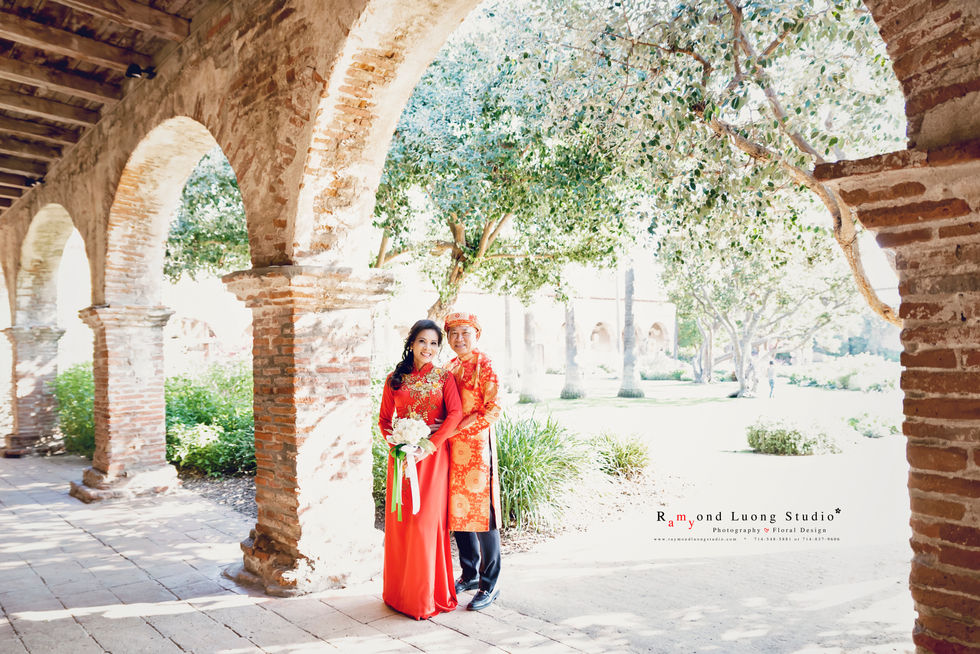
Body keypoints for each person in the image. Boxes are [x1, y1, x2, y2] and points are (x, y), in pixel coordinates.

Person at [379, 319, 463, 620]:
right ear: (412, 343)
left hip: (432, 459)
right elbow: (384, 420)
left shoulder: (444, 378)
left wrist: (428, 445)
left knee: (425, 524)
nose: (428, 348)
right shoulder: (394, 379)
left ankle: (423, 598)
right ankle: (397, 594)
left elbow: (455, 414)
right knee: (402, 524)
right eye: (422, 341)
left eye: (434, 343)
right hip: (402, 460)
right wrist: (397, 444)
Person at [444, 312, 503, 611]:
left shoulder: (485, 364)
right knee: (458, 511)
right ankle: (469, 574)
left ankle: (489, 584)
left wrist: (459, 429)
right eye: (453, 333)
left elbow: (493, 409)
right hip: (451, 450)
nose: (459, 339)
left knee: (483, 515)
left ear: (476, 334)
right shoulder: (449, 367)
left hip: (478, 450)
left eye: (465, 332)